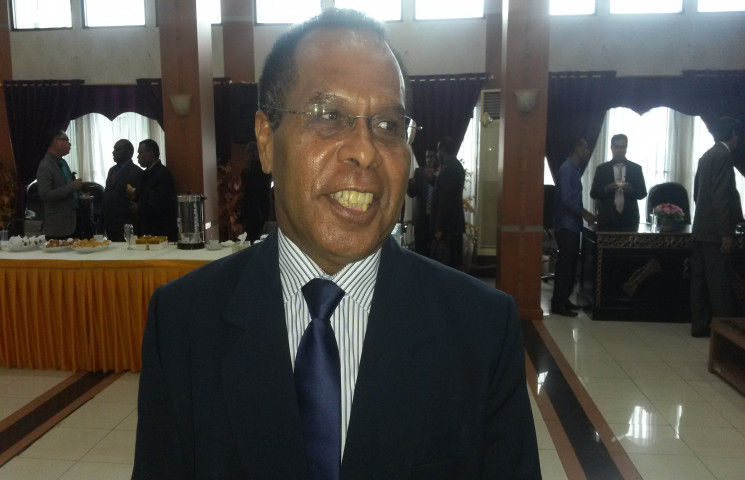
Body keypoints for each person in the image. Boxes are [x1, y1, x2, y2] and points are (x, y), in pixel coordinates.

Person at [134, 8, 540, 479]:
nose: (365, 151)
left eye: (388, 125)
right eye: (329, 116)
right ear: (266, 141)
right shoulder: (184, 322)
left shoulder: (480, 328)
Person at [690, 117, 742, 337]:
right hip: (715, 233)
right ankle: (724, 332)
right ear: (734, 135)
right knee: (719, 283)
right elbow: (722, 197)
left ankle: (699, 326)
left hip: (701, 229)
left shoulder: (707, 155)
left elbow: (697, 194)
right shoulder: (723, 156)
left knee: (700, 281)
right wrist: (726, 232)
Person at [551, 137, 596, 317]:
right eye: (585, 147)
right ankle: (558, 303)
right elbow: (567, 200)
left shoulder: (574, 169)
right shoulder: (567, 169)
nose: (587, 151)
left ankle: (564, 299)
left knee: (571, 266)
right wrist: (584, 213)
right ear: (577, 148)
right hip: (565, 225)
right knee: (565, 266)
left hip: (573, 225)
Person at [590, 133, 647, 232]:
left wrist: (631, 190)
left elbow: (643, 193)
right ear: (611, 148)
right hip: (607, 218)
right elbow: (593, 193)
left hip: (629, 218)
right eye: (616, 147)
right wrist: (607, 188)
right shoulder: (602, 169)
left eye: (622, 147)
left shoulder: (636, 169)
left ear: (626, 148)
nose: (619, 150)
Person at [35, 128, 82, 239]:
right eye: (66, 140)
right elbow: (46, 195)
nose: (70, 144)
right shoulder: (45, 165)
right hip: (58, 227)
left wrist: (79, 194)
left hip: (73, 221)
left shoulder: (62, 162)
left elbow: (65, 187)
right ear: (56, 141)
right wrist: (72, 187)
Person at [129, 139, 177, 241]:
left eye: (140, 153)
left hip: (158, 230)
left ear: (151, 154)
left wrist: (139, 208)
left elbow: (163, 204)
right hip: (145, 229)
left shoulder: (163, 174)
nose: (138, 156)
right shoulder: (145, 173)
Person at [431, 137, 466, 269]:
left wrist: (439, 227)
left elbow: (445, 201)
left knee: (446, 265)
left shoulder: (448, 170)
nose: (437, 154)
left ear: (443, 151)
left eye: (438, 150)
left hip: (448, 227)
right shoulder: (456, 167)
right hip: (454, 224)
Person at [102, 139, 142, 241]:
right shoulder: (112, 170)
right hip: (110, 222)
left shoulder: (136, 172)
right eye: (114, 149)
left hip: (127, 224)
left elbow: (137, 198)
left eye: (118, 149)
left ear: (128, 152)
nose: (113, 152)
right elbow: (107, 195)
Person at [239, 141, 273, 242]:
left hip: (253, 210)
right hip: (264, 207)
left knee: (252, 237)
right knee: (262, 236)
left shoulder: (248, 172)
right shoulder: (265, 169)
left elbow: (248, 189)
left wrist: (247, 167)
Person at [406, 149, 436, 256]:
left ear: (436, 158)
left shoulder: (441, 172)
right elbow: (412, 194)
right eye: (427, 157)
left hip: (435, 219)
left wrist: (432, 178)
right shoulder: (419, 172)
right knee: (421, 250)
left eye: (431, 157)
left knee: (434, 252)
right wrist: (410, 186)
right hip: (421, 218)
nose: (429, 159)